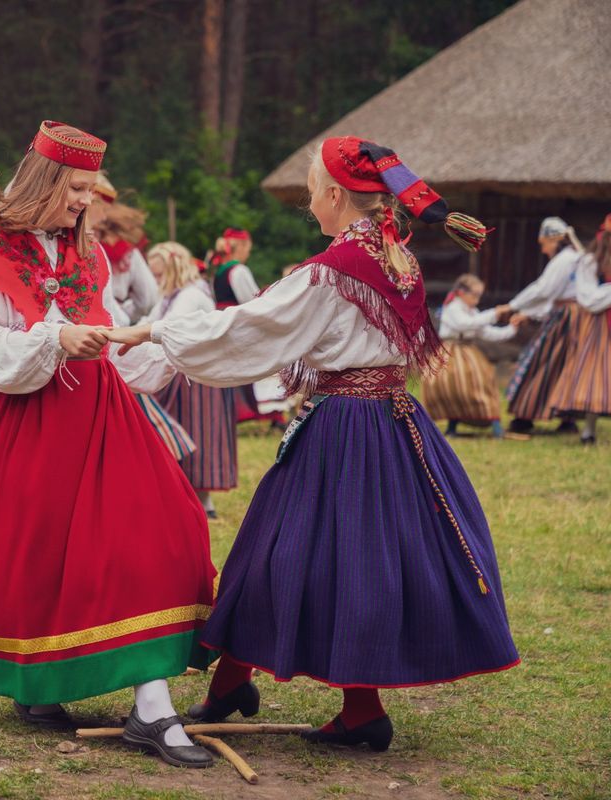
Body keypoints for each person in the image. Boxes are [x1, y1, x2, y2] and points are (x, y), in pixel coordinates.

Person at [107, 136, 519, 752]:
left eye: (310, 193)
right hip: (392, 423)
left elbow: (245, 327)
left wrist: (148, 331)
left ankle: (276, 693)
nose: (309, 205)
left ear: (333, 195)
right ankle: (278, 693)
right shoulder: (395, 257)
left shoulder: (334, 271)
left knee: (294, 554)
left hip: (345, 431)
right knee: (333, 556)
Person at [0, 120, 218, 768]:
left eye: (91, 189)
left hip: (105, 417)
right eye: (80, 188)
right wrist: (55, 340)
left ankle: (153, 705)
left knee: (163, 531)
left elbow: (112, 337)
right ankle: (43, 683)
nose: (88, 201)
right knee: (39, 556)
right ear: (47, 181)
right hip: (35, 428)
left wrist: (161, 343)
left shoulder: (89, 255)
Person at [145, 242, 236, 518]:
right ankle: (180, 496)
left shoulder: (191, 295)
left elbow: (170, 326)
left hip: (195, 374)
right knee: (180, 430)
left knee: (199, 431)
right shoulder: (171, 296)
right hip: (177, 371)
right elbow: (149, 320)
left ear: (172, 270)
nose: (157, 280)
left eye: (159, 275)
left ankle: (202, 502)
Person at [505, 217, 584, 434]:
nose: (543, 249)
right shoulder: (572, 258)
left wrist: (513, 306)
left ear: (555, 239)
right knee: (565, 365)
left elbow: (544, 290)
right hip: (570, 316)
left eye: (543, 244)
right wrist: (528, 313)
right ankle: (566, 418)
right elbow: (552, 296)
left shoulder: (565, 260)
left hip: (566, 318)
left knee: (541, 360)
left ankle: (524, 417)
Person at [422, 274, 520, 438]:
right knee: (450, 387)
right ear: (461, 293)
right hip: (450, 352)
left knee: (481, 385)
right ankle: (451, 425)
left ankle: (495, 426)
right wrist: (494, 314)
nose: (477, 299)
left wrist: (511, 328)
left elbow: (486, 332)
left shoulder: (472, 311)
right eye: (474, 295)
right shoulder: (452, 308)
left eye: (479, 296)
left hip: (469, 352)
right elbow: (464, 324)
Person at [207, 229, 284, 427]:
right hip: (238, 324)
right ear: (240, 247)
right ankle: (270, 412)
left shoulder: (219, 271)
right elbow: (252, 301)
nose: (248, 254)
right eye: (247, 249)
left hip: (222, 323)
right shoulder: (239, 270)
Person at [546, 214, 611, 445]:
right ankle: (588, 430)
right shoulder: (590, 262)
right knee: (595, 375)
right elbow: (589, 299)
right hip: (599, 327)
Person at [86, 172, 158, 323]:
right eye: (104, 210)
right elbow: (148, 297)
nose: (104, 217)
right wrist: (124, 317)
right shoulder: (126, 251)